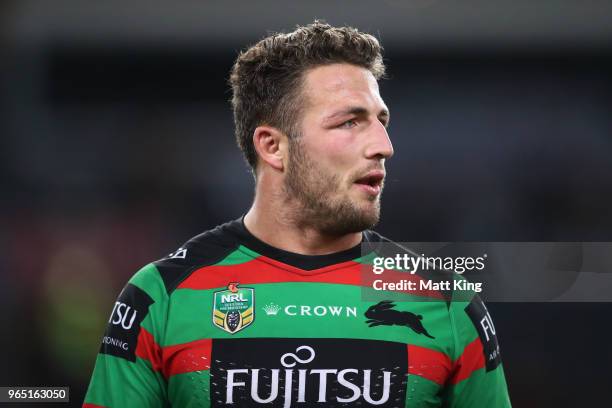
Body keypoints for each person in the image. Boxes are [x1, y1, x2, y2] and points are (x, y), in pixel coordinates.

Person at [84, 21, 511, 407]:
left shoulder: (447, 302)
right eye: (349, 122)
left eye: (382, 121)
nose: (384, 145)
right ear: (272, 146)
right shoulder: (161, 297)